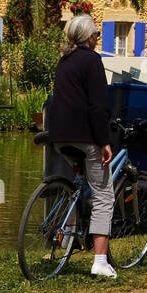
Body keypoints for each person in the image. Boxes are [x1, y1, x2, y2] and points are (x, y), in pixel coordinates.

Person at [48, 14, 117, 278]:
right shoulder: (92, 60)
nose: (98, 39)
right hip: (85, 137)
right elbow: (98, 106)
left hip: (59, 136)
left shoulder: (64, 61)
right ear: (90, 37)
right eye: (97, 35)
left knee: (78, 185)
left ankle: (65, 242)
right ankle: (99, 261)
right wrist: (104, 142)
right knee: (103, 194)